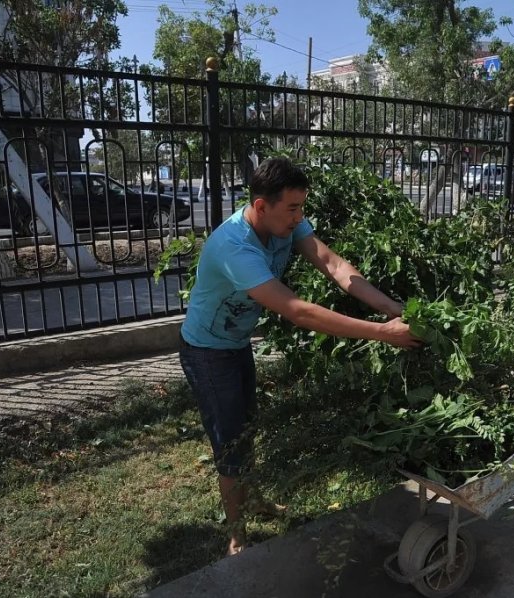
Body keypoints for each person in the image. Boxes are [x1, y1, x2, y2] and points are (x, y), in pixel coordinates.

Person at [179, 157, 421, 555]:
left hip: (235, 345)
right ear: (261, 206)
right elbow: (297, 310)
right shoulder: (234, 246)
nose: (299, 217)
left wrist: (392, 307)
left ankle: (250, 499)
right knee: (230, 445)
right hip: (207, 351)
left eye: (301, 207)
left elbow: (333, 264)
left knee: (246, 428)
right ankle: (237, 535)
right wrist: (382, 334)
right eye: (292, 208)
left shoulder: (285, 224)